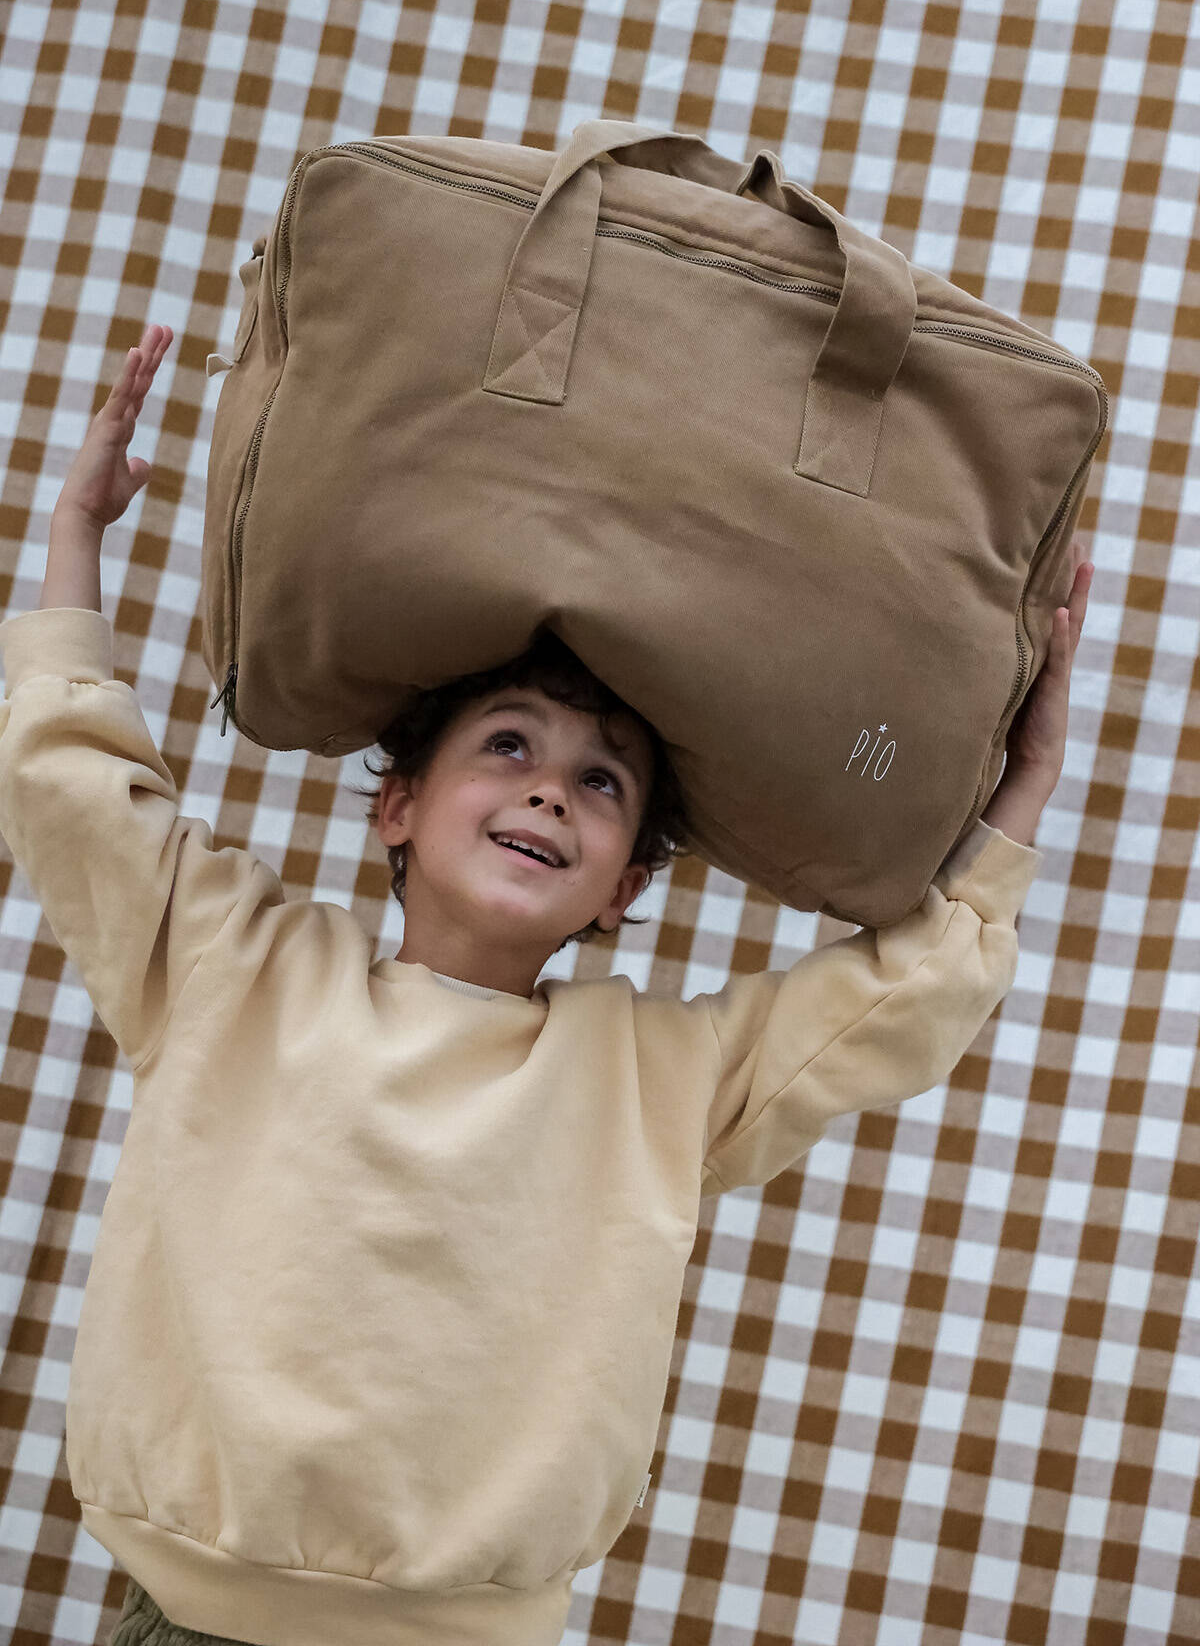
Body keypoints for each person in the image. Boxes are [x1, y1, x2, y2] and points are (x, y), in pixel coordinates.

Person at [0, 326, 1092, 1646]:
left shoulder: (659, 1077)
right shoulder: (233, 963)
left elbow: (899, 997)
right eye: (508, 746)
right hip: (181, 1611)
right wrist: (75, 535)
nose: (546, 790)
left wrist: (1022, 784)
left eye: (601, 782)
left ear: (626, 883)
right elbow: (71, 786)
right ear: (397, 804)